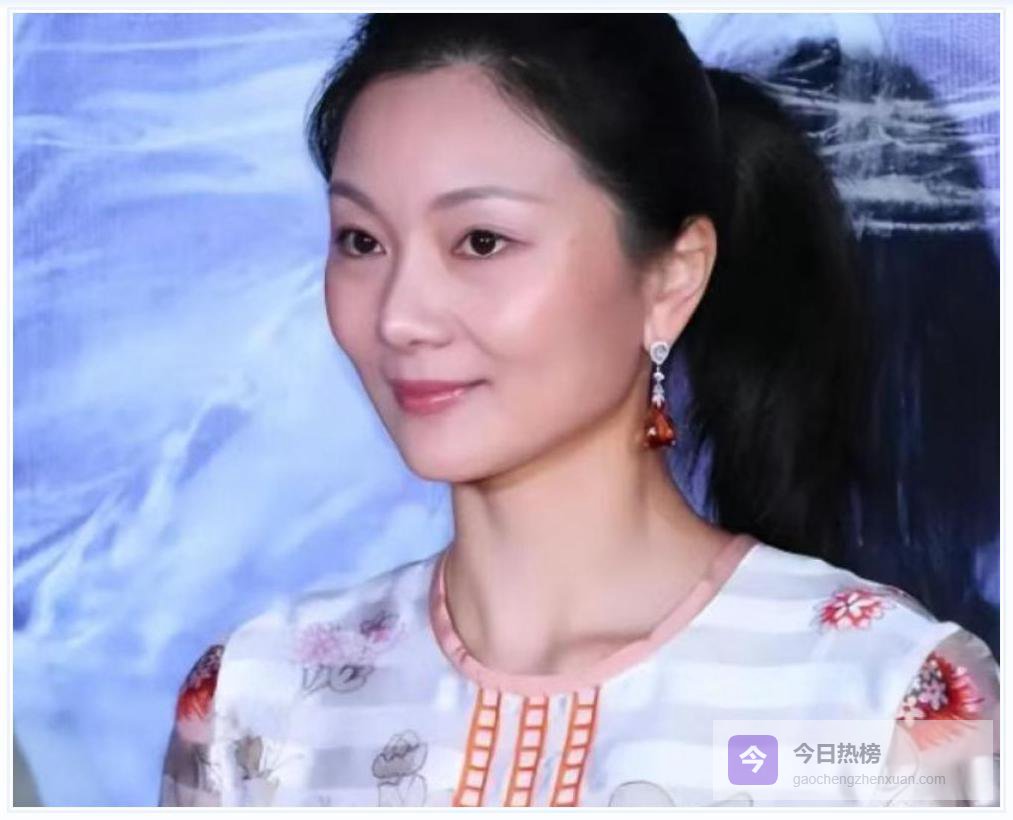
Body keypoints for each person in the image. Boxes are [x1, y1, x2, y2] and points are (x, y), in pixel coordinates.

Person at [158, 13, 999, 807]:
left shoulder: (882, 701)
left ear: (671, 279)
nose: (398, 317)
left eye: (480, 241)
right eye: (361, 241)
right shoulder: (257, 704)